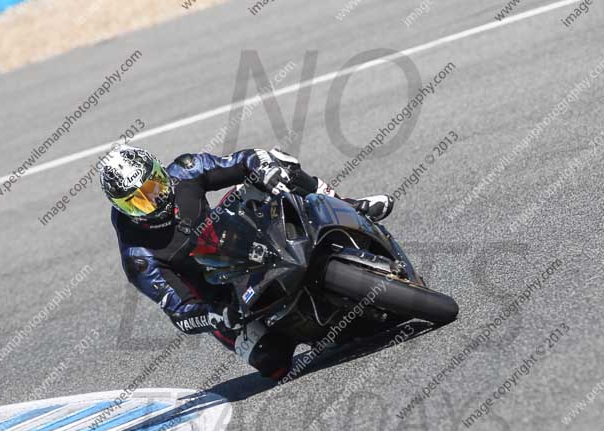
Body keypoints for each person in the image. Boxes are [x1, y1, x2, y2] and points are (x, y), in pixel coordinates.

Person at [100, 144, 394, 380]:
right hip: (223, 298)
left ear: (160, 172)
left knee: (280, 164)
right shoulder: (139, 257)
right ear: (122, 208)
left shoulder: (186, 171)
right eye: (137, 202)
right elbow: (181, 313)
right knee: (273, 362)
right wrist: (215, 315)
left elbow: (245, 159)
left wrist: (262, 169)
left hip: (234, 236)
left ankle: (350, 206)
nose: (153, 201)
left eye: (153, 187)